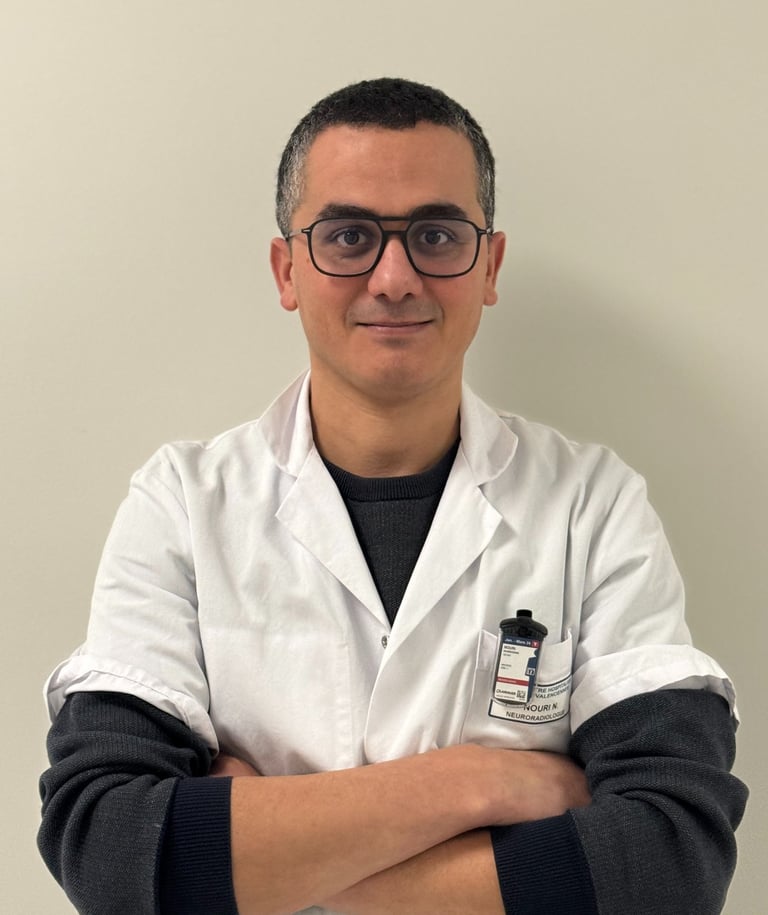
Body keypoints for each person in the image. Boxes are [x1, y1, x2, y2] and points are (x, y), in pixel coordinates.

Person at [38, 78, 747, 915]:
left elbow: (672, 861)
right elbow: (106, 846)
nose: (395, 276)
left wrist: (268, 854)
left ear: (489, 266)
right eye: (348, 237)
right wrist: (480, 781)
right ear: (288, 270)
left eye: (437, 236)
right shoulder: (183, 505)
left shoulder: (593, 505)